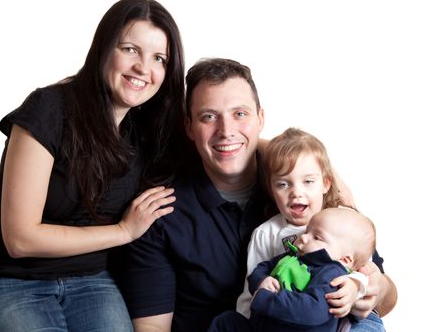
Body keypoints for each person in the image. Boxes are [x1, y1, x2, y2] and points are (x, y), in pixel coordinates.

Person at [116, 58, 397, 332]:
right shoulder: (162, 212)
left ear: (260, 118)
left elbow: (385, 294)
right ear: (189, 127)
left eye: (240, 114)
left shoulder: (304, 190)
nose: (226, 131)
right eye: (209, 116)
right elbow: (152, 325)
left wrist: (372, 289)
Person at [0, 0, 187, 332]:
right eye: (130, 49)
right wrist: (123, 231)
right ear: (104, 48)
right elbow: (20, 239)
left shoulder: (147, 128)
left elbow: (215, 134)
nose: (144, 68)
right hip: (4, 278)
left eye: (159, 58)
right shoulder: (48, 110)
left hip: (90, 280)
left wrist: (275, 146)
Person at [236, 127, 364, 319]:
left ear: (326, 184)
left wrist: (355, 286)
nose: (296, 192)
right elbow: (250, 291)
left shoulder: (343, 222)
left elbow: (366, 269)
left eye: (308, 182)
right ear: (271, 190)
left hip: (332, 317)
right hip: (282, 319)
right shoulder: (266, 234)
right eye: (283, 184)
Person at [209, 207, 381, 332]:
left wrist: (265, 298)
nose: (303, 237)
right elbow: (263, 267)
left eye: (317, 237)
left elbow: (312, 311)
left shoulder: (332, 275)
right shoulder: (294, 256)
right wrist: (261, 281)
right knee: (226, 322)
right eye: (307, 231)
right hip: (262, 325)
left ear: (345, 259)